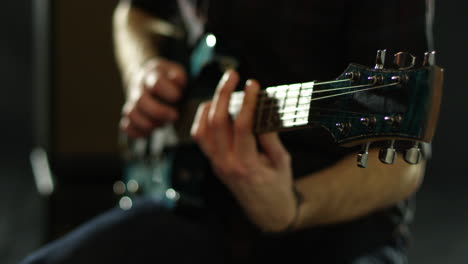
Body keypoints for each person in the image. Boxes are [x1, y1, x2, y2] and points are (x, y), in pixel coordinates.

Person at [21, 0, 435, 263]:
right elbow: (135, 12)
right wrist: (142, 70)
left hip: (333, 231)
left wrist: (292, 207)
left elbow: (400, 161)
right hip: (191, 202)